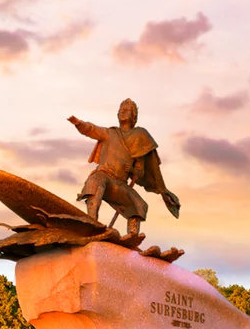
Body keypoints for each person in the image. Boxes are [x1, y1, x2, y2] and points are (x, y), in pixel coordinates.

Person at [68, 98, 180, 236]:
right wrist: (79, 124)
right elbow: (92, 129)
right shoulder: (109, 133)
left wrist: (132, 170)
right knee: (95, 182)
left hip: (120, 184)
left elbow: (140, 172)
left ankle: (132, 237)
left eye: (127, 110)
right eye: (121, 109)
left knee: (139, 204)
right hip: (104, 175)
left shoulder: (139, 137)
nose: (122, 111)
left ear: (134, 116)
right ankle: (93, 223)